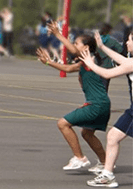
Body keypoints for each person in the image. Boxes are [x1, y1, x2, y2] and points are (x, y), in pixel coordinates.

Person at [36, 34, 110, 172]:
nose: (74, 46)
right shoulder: (86, 62)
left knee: (62, 123)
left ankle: (80, 158)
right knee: (87, 134)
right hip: (100, 103)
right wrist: (48, 62)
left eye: (76, 43)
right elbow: (68, 68)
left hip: (97, 105)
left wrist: (58, 34)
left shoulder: (89, 58)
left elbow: (75, 52)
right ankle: (105, 163)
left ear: (86, 47)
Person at [80, 30, 133, 188]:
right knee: (112, 137)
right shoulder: (130, 61)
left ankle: (107, 175)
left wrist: (91, 64)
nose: (126, 43)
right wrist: (102, 46)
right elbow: (122, 60)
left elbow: (107, 73)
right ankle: (107, 175)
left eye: (129, 40)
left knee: (113, 137)